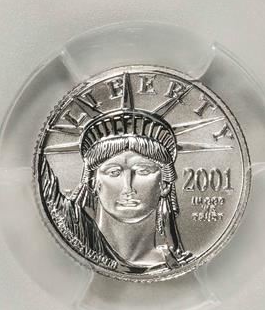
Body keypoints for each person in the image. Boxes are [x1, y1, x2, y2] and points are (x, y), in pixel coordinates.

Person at [37, 110, 191, 274]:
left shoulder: (177, 263)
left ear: (165, 184)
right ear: (93, 182)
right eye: (114, 172)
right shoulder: (78, 237)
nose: (128, 187)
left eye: (143, 171)